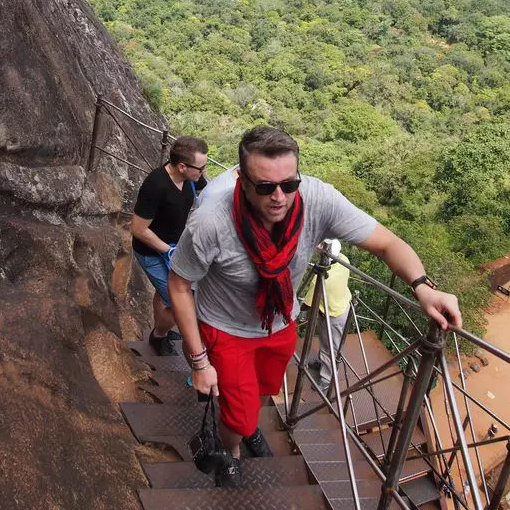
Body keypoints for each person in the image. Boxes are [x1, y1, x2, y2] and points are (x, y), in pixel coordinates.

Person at [168, 126, 462, 487]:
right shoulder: (211, 223)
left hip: (280, 323)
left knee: (261, 391)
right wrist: (199, 362)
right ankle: (232, 452)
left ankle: (245, 426)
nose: (279, 197)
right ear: (241, 179)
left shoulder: (318, 201)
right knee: (239, 415)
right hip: (226, 329)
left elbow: (386, 243)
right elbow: (180, 285)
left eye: (288, 185)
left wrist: (423, 287)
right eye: (265, 187)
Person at [131, 136, 208, 356]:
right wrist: (168, 250)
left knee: (166, 293)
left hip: (175, 247)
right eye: (200, 168)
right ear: (182, 166)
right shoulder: (156, 185)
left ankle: (161, 329)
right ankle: (158, 336)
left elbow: (208, 192)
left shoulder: (192, 178)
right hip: (153, 252)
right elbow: (138, 228)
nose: (203, 172)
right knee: (180, 303)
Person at [302, 247, 352, 392]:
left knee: (330, 348)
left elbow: (307, 303)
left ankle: (326, 378)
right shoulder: (344, 260)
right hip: (342, 307)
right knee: (326, 343)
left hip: (332, 316)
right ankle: (322, 362)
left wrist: (295, 311)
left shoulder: (323, 278)